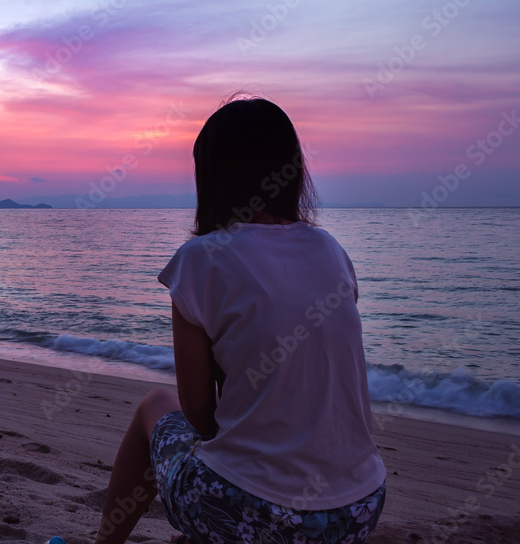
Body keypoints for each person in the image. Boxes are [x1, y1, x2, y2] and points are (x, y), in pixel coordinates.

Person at [92, 96, 387, 544]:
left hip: (252, 512)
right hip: (360, 507)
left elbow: (198, 412)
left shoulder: (200, 261)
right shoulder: (332, 252)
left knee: (155, 405)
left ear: (211, 178)